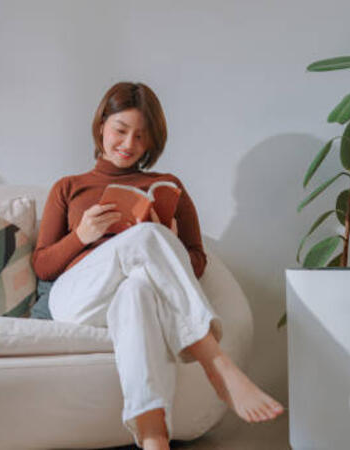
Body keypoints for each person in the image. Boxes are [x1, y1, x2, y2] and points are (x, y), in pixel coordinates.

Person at [32, 82, 283, 450]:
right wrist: (81, 236)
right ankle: (217, 364)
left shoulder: (167, 186)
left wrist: (171, 242)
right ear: (101, 126)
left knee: (138, 291)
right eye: (120, 130)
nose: (128, 144)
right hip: (78, 299)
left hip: (129, 300)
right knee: (147, 237)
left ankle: (154, 438)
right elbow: (42, 266)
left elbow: (198, 261)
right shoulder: (69, 187)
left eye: (141, 136)